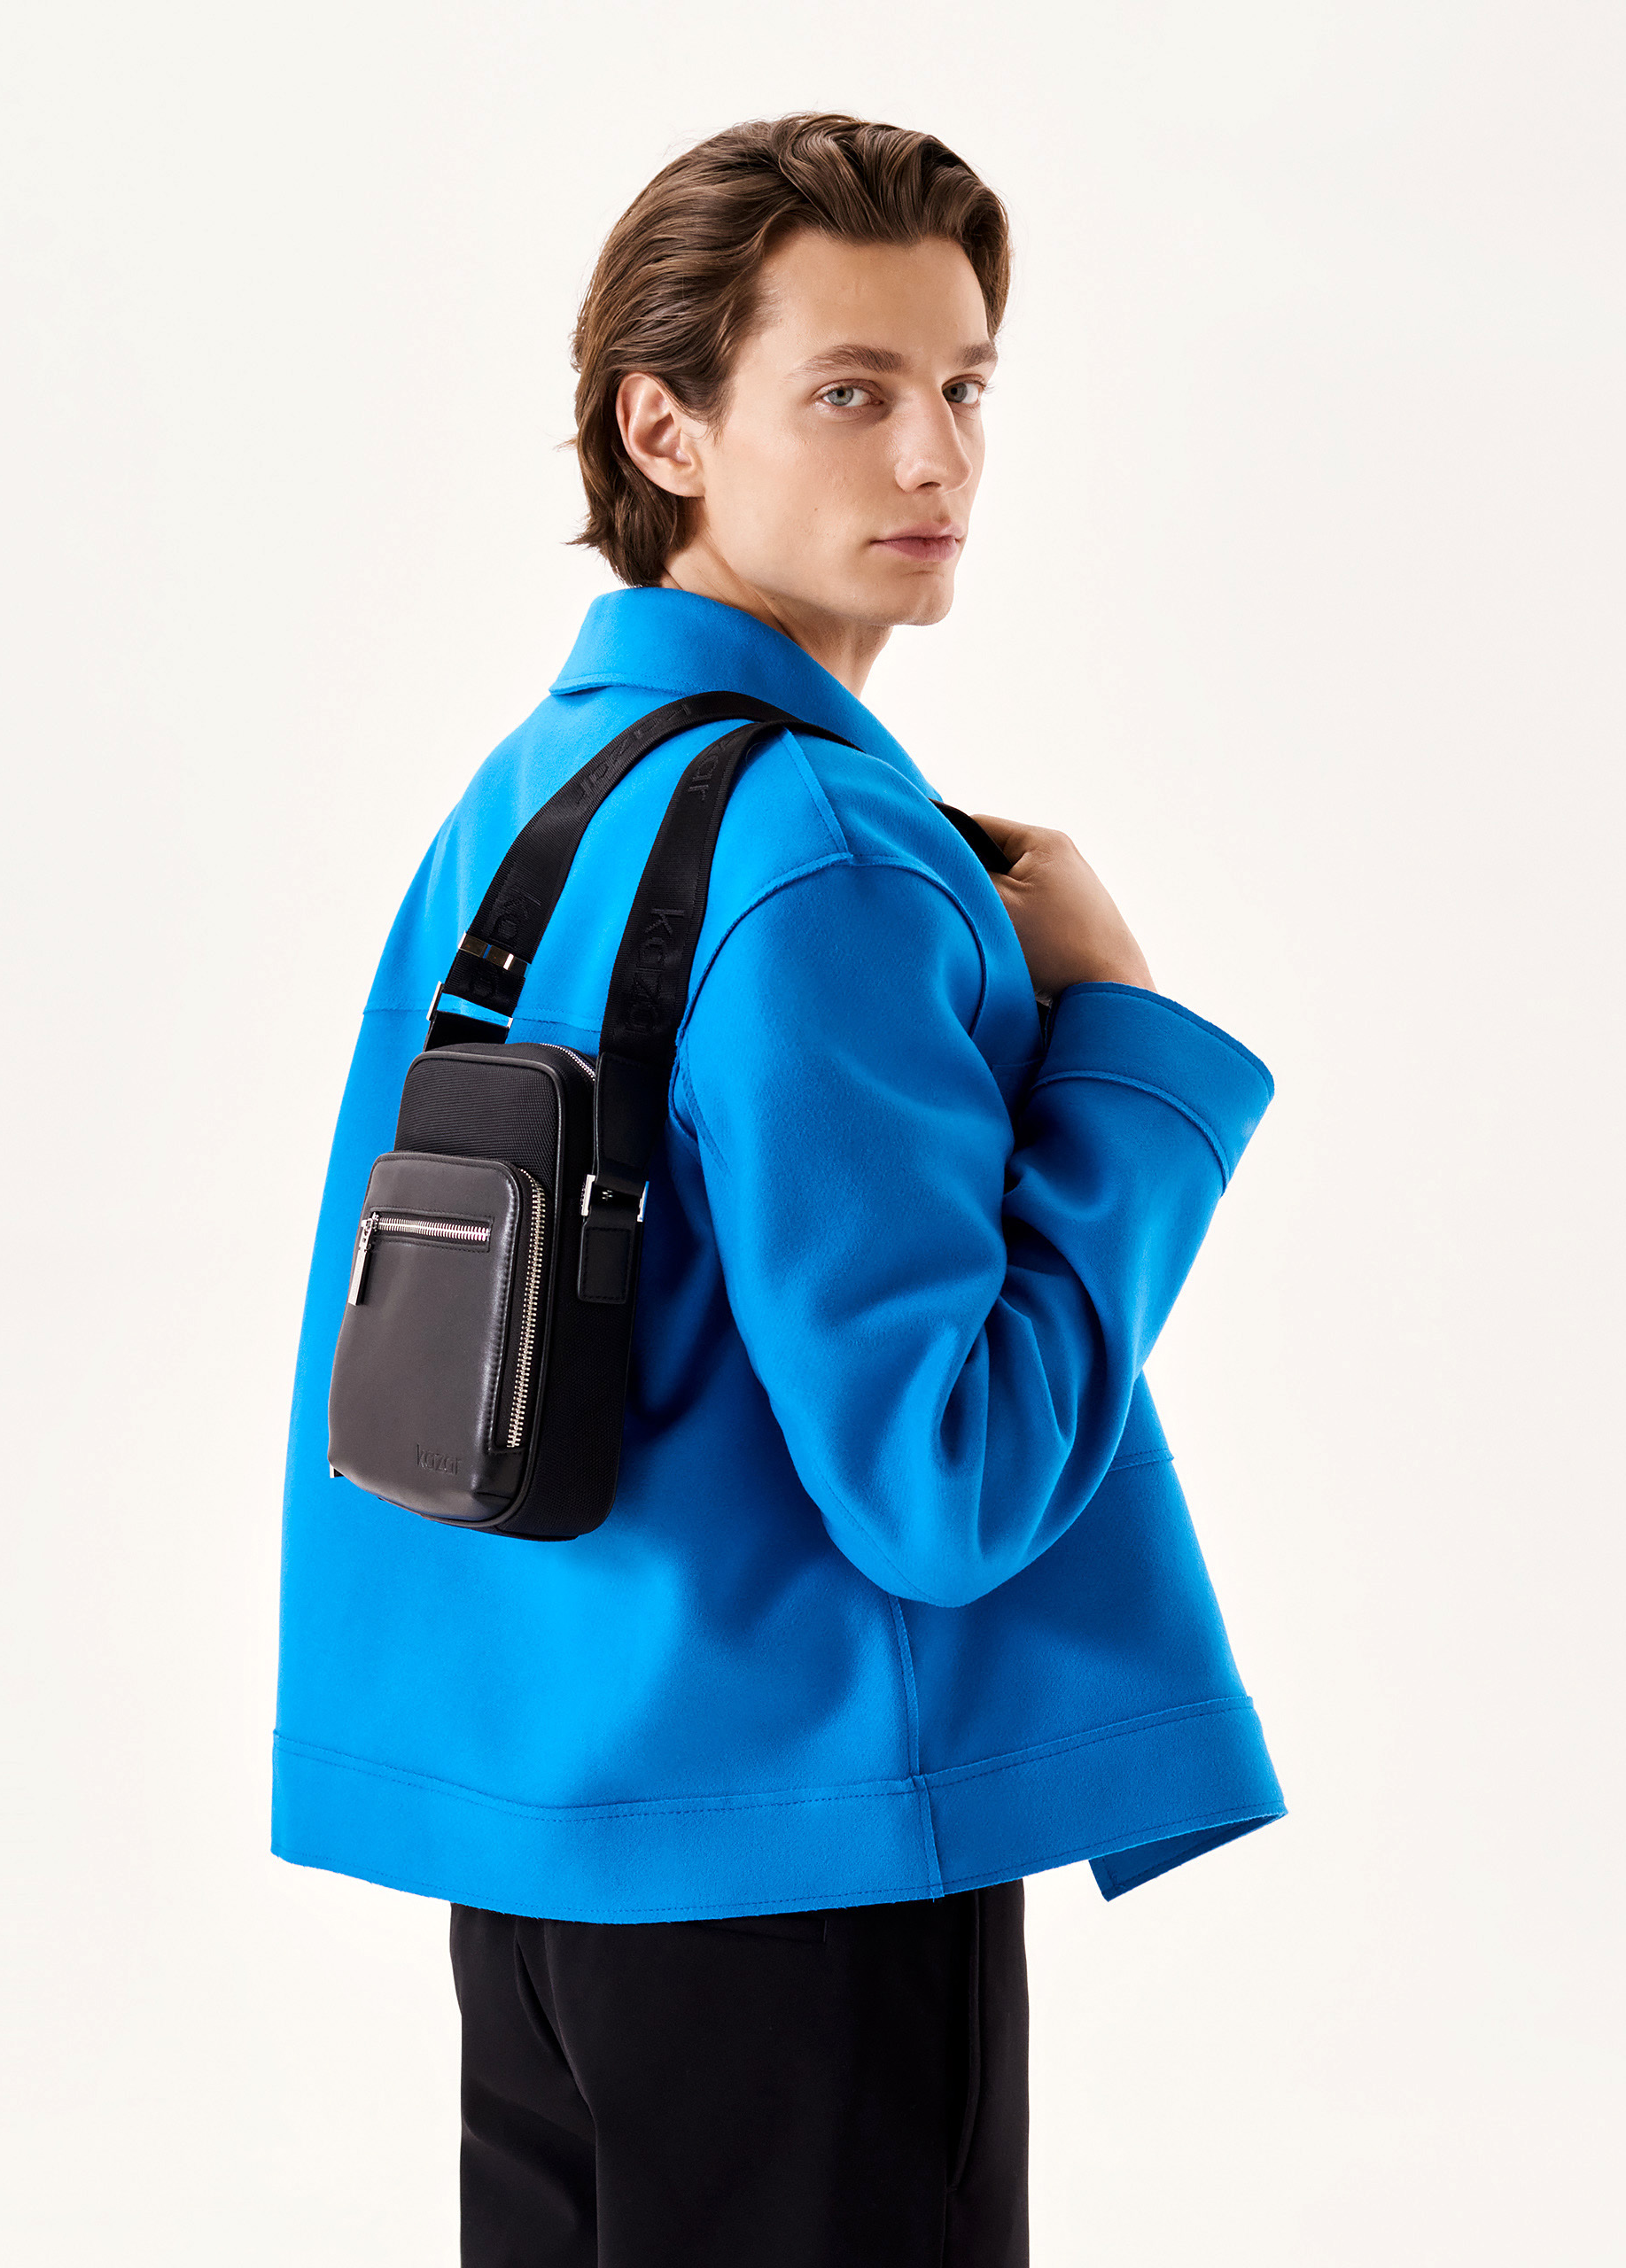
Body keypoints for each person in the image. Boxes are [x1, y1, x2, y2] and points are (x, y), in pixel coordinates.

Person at [273, 113, 1284, 2267]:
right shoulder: (823, 848)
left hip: (549, 1846)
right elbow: (944, 1478)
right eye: (850, 389)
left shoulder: (535, 788)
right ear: (667, 427)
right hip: (797, 1870)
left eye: (967, 383)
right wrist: (1128, 1052)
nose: (936, 456)